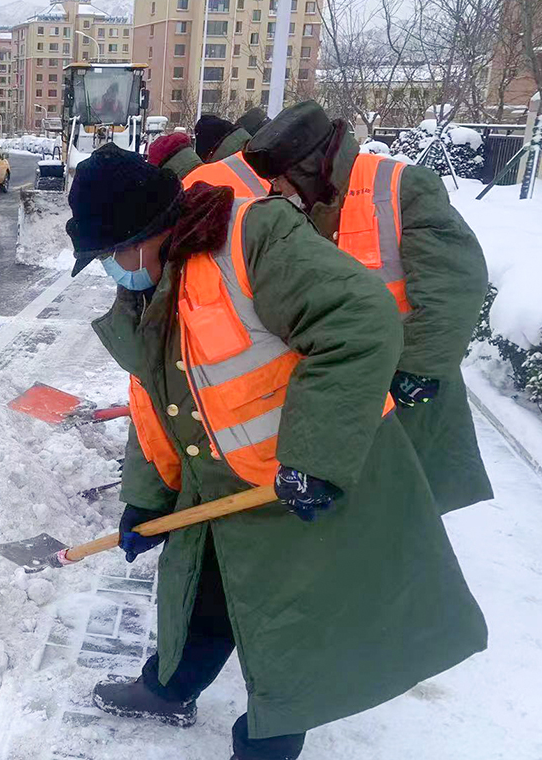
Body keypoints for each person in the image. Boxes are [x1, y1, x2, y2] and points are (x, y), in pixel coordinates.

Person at [66, 143, 487, 759]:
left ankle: (264, 750)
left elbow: (361, 320)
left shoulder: (253, 238)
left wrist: (315, 460)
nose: (114, 269)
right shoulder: (147, 293)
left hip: (299, 481)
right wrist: (147, 500)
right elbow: (155, 402)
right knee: (198, 591)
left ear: (147, 233)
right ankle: (169, 689)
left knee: (293, 634)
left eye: (113, 254)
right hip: (219, 482)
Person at [243, 101, 493, 514]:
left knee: (407, 502)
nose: (279, 189)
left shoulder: (400, 186)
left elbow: (455, 280)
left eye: (283, 178)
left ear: (310, 166)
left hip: (408, 382)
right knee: (362, 506)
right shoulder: (295, 208)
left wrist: (421, 367)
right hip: (348, 390)